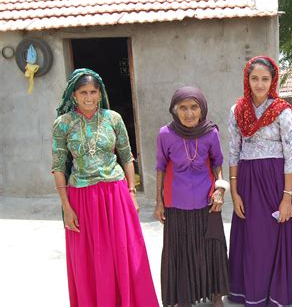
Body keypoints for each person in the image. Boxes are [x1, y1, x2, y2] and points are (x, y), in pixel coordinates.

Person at [52, 68, 159, 307]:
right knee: (90, 258)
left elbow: (126, 156)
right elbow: (58, 166)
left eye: (93, 92)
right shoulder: (63, 124)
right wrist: (66, 207)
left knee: (123, 251)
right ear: (74, 95)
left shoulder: (113, 118)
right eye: (83, 92)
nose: (88, 97)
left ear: (100, 94)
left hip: (115, 193)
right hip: (81, 197)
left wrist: (132, 193)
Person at [227, 56, 292, 306]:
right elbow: (233, 151)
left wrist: (287, 198)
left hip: (277, 181)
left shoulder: (282, 110)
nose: (260, 84)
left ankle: (282, 294)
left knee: (279, 236)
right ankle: (253, 292)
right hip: (248, 182)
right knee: (255, 239)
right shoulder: (236, 110)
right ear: (247, 80)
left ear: (273, 81)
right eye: (255, 78)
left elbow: (291, 156)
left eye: (265, 79)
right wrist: (234, 191)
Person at [154, 86, 229, 307]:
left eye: (194, 107)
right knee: (181, 251)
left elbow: (217, 164)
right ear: (174, 110)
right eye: (183, 108)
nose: (189, 113)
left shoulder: (210, 133)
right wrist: (159, 202)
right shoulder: (165, 134)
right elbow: (160, 168)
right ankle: (183, 296)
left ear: (202, 108)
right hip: (176, 203)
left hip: (207, 201)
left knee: (212, 247)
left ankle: (216, 293)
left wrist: (220, 190)